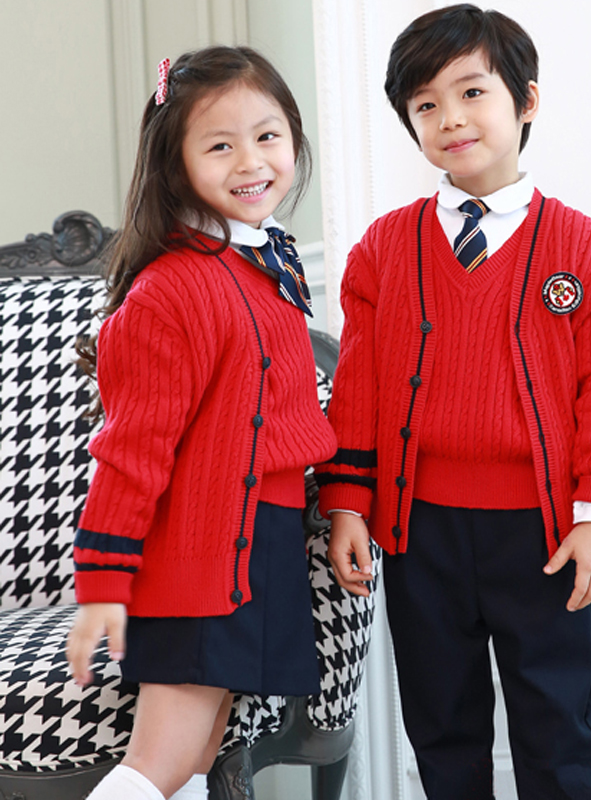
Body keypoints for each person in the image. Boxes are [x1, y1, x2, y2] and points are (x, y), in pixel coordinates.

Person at [316, 5, 591, 799]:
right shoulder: (383, 251)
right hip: (420, 530)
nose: (451, 118)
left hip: (543, 534)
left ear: (525, 101)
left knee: (556, 719)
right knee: (442, 721)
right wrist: (347, 503)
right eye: (426, 104)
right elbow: (356, 390)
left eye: (471, 92)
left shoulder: (581, 247)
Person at [65, 45, 337, 800]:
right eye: (220, 145)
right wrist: (103, 584)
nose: (250, 161)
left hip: (259, 545)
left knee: (195, 754)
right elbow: (131, 454)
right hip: (202, 557)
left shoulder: (265, 265)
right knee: (163, 758)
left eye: (268, 135)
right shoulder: (172, 291)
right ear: (175, 165)